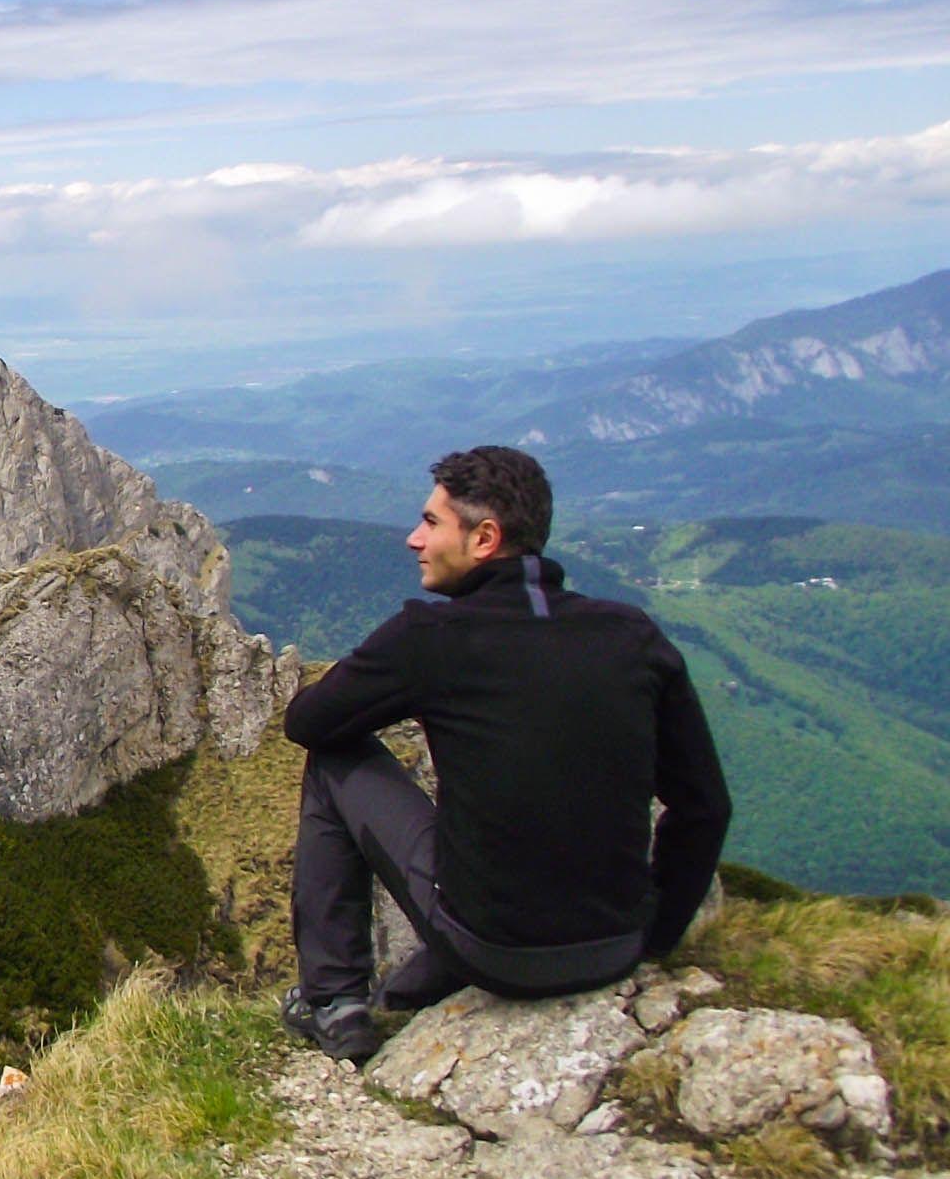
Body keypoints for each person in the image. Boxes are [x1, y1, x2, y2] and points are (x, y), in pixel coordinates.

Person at [278, 445, 731, 1063]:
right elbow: (703, 805)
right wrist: (654, 936)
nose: (414, 539)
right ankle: (418, 980)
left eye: (432, 523)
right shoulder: (632, 635)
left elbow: (308, 723)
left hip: (491, 948)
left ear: (485, 538)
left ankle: (334, 1002)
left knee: (333, 764)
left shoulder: (431, 636)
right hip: (616, 946)